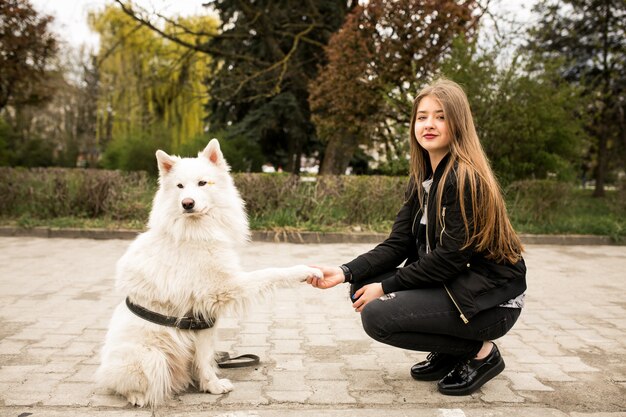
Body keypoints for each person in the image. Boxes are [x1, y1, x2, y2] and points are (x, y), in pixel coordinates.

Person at [307, 78, 526, 396]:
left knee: (378, 314)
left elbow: (450, 257)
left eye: (440, 116)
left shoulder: (464, 178)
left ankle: (480, 353)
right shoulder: (424, 178)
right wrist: (344, 271)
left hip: (492, 302)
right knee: (360, 287)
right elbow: (398, 244)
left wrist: (385, 287)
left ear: (458, 123)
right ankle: (452, 350)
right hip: (457, 284)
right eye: (422, 116)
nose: (429, 124)